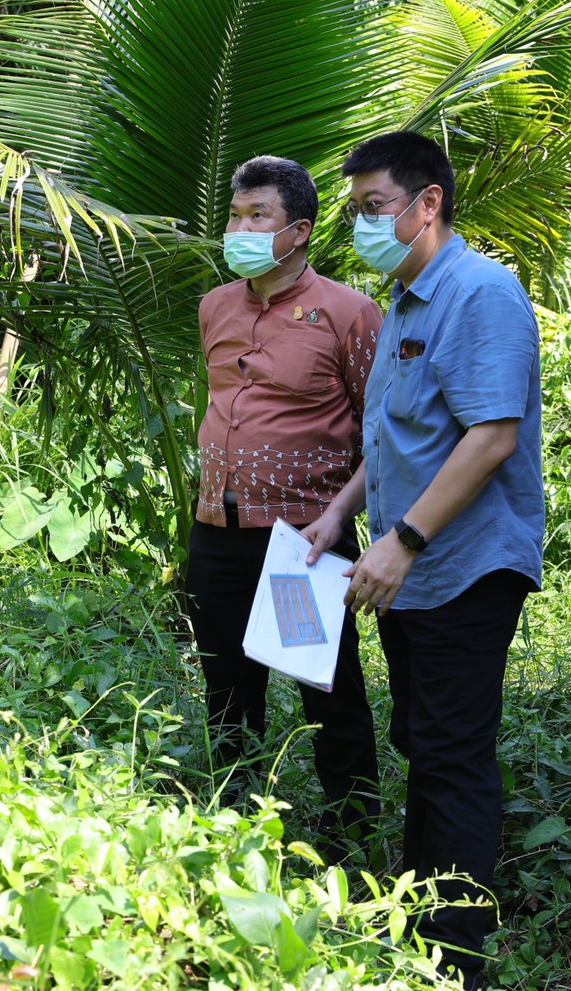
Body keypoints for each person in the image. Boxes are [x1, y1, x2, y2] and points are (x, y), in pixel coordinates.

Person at [304, 130, 544, 990]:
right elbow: (397, 438)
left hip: (464, 567)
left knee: (452, 756)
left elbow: (490, 438)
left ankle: (454, 959)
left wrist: (402, 541)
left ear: (428, 202)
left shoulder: (481, 294)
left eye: (374, 207)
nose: (363, 225)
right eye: (356, 210)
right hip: (410, 572)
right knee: (424, 743)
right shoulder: (406, 301)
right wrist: (341, 513)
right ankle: (420, 923)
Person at [186, 155, 384, 859]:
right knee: (226, 689)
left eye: (258, 216)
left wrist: (341, 514)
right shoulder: (216, 306)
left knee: (323, 691)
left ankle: (354, 837)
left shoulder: (348, 314)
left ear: (298, 231)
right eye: (235, 215)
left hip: (302, 538)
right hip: (217, 530)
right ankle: (231, 830)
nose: (240, 229)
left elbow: (383, 433)